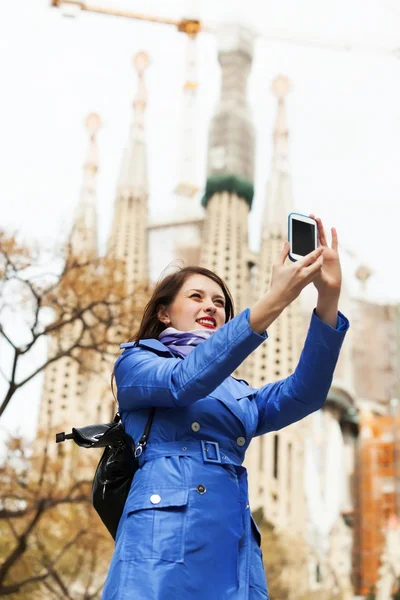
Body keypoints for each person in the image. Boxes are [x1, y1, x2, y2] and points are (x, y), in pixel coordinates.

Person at [101, 216, 349, 600]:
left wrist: (328, 298)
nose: (211, 307)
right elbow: (182, 381)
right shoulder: (136, 363)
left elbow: (305, 394)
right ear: (164, 313)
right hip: (161, 544)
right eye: (196, 297)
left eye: (220, 302)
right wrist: (274, 300)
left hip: (233, 545)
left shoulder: (238, 395)